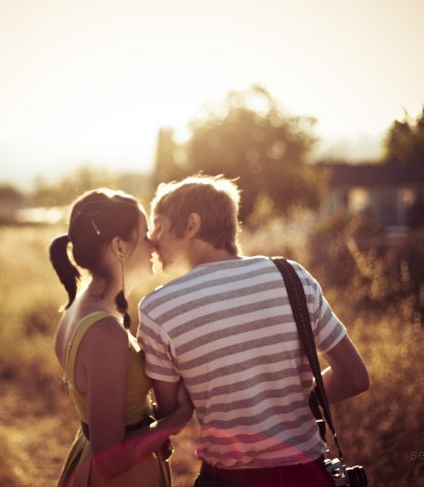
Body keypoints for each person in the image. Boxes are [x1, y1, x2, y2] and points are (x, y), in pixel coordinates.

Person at [137, 175, 370, 487]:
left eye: (159, 225)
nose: (152, 239)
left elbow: (170, 412)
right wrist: (298, 399)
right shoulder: (293, 277)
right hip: (308, 476)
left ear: (192, 225)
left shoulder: (158, 308)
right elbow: (355, 377)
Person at [49, 188, 193, 487]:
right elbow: (110, 460)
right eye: (144, 236)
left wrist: (147, 431)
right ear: (119, 246)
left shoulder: (78, 307)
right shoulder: (105, 334)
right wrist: (172, 423)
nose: (154, 243)